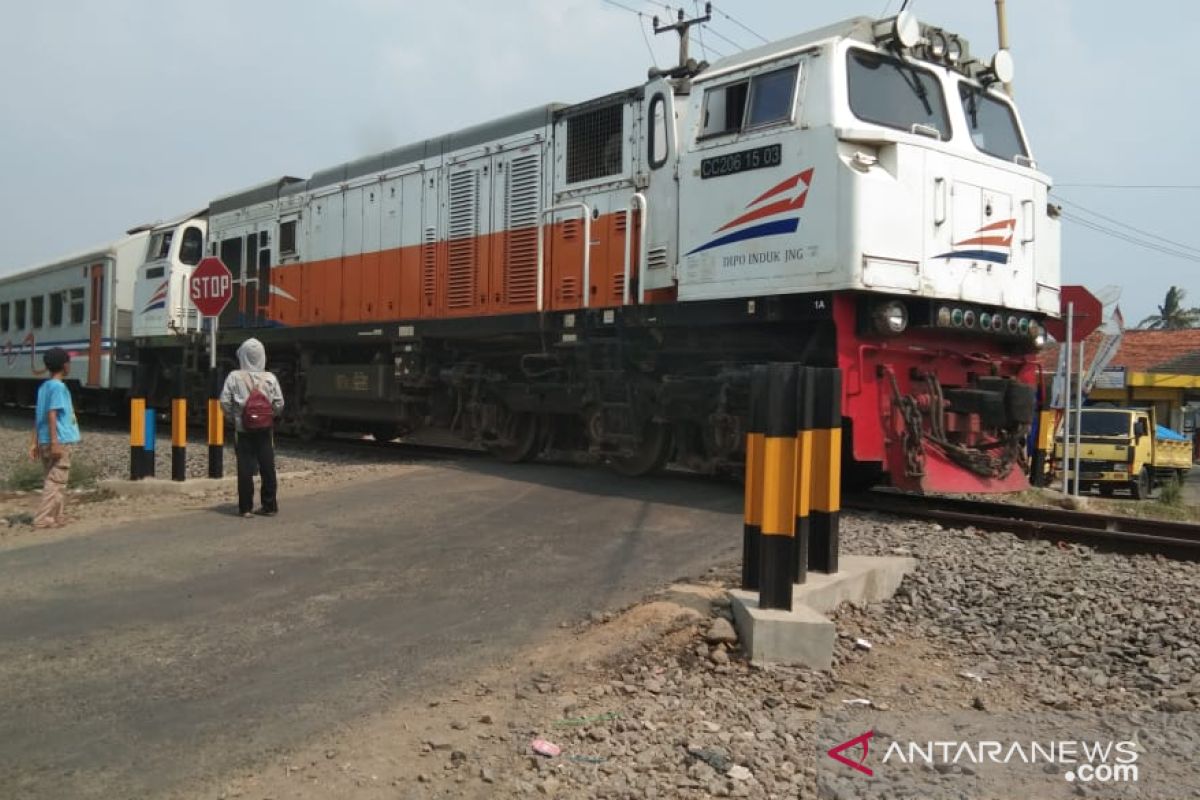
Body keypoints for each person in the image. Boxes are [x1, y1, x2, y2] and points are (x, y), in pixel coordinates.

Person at [220, 338, 285, 518]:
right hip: (265, 429)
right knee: (267, 467)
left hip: (243, 429)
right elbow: (280, 403)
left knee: (245, 468)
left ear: (243, 356)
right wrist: (270, 416)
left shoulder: (234, 376)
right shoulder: (270, 378)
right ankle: (269, 505)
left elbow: (224, 401)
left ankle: (246, 508)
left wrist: (234, 417)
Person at [28, 347, 81, 529]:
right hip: (58, 440)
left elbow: (38, 415)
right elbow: (51, 414)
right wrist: (55, 442)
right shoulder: (58, 387)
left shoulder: (44, 387)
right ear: (65, 365)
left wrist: (34, 442)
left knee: (55, 480)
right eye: (69, 362)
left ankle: (56, 517)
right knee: (56, 480)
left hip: (45, 440)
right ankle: (42, 518)